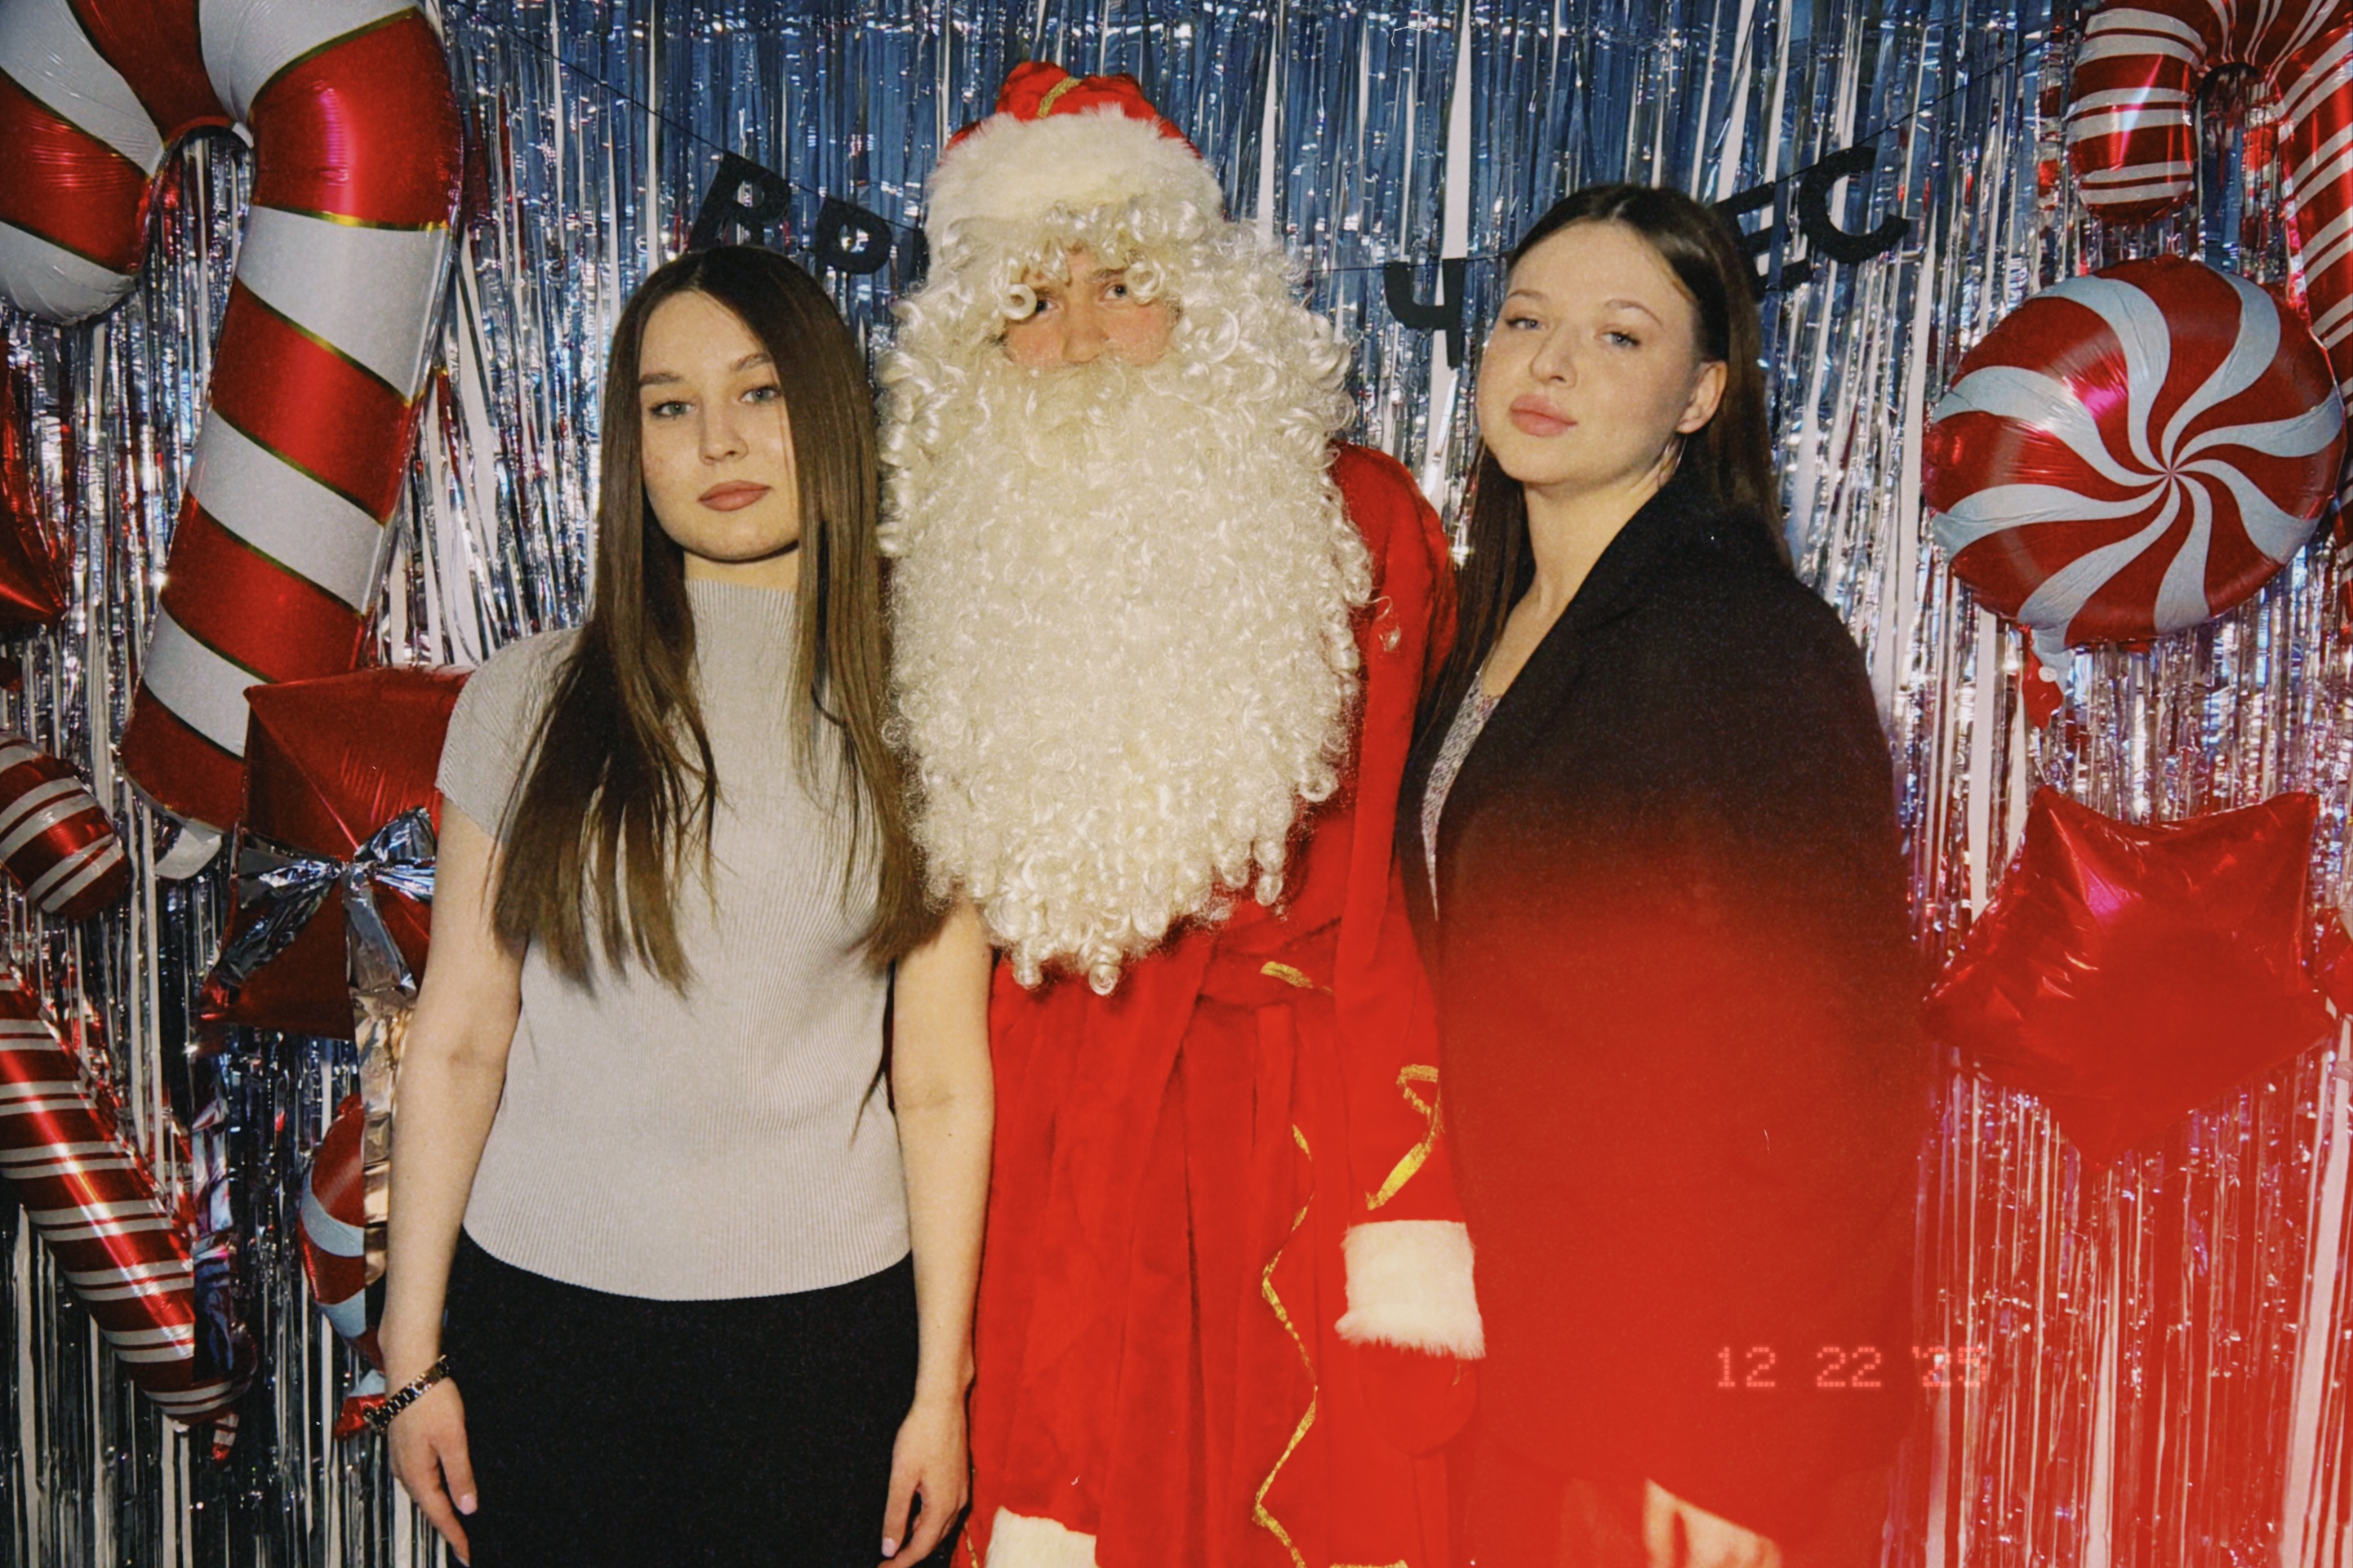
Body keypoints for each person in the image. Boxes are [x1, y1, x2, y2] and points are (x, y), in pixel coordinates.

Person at [882, 62, 1485, 1568]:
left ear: (1201, 302)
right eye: (1031, 303)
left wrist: (1406, 1207)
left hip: (1290, 1125)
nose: (1081, 339)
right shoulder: (939, 560)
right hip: (1047, 1133)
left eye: (1122, 286)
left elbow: (1407, 891)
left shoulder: (1357, 524)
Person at [377, 245, 994, 1568]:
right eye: (670, 405)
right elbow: (461, 1035)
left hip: (823, 1350)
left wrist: (940, 1386)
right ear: (633, 446)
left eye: (758, 392)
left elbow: (942, 1078)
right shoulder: (527, 697)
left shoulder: (933, 711)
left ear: (826, 413)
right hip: (543, 1338)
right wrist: (411, 1353)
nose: (717, 438)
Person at [1399, 185, 1928, 1568]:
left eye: (1618, 336)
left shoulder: (1739, 635)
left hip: (1681, 1400)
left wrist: (1736, 1444)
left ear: (1701, 395)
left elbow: (1836, 1074)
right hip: (1537, 1356)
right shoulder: (1493, 628)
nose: (1551, 363)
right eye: (1525, 320)